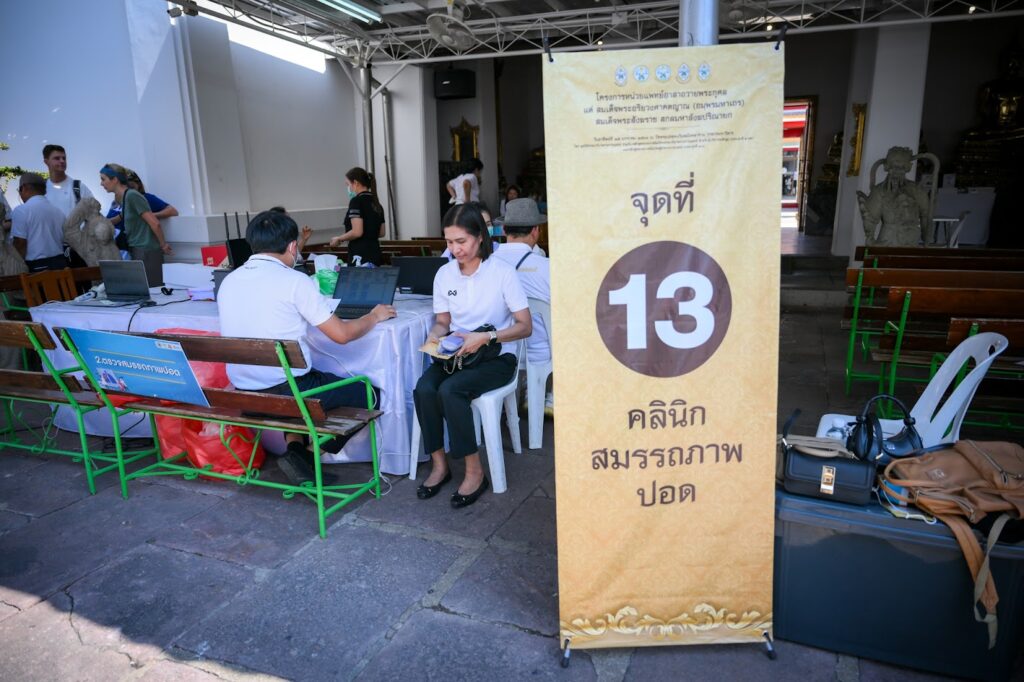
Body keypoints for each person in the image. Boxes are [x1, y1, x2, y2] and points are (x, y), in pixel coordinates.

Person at [217, 210, 396, 484]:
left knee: (298, 382)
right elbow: (342, 335)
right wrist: (374, 316)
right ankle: (309, 455)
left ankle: (294, 451)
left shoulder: (229, 281)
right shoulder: (294, 281)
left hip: (244, 392)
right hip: (288, 393)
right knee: (369, 393)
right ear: (293, 246)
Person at [413, 202, 532, 508]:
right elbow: (443, 321)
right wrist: (435, 336)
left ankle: (475, 471)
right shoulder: (444, 274)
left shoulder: (501, 273)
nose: (455, 249)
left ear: (480, 236)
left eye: (461, 241)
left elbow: (525, 326)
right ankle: (440, 465)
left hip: (497, 356)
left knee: (451, 391)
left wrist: (486, 337)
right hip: (458, 354)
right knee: (424, 389)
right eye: (449, 242)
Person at [491, 197, 553, 415]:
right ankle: (552, 395)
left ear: (504, 229)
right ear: (536, 231)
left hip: (499, 350)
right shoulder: (547, 267)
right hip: (540, 352)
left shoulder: (486, 265)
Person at [99, 163, 172, 286]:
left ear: (115, 179)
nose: (101, 183)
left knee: (153, 290)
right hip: (138, 251)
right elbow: (120, 217)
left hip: (146, 251)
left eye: (103, 179)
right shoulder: (126, 197)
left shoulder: (132, 195)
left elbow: (154, 223)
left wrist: (163, 245)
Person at [857, 146, 932, 247]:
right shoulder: (880, 191)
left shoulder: (916, 190)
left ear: (908, 168)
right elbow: (871, 219)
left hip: (912, 238)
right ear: (887, 167)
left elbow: (925, 215)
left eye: (901, 167)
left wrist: (926, 235)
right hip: (888, 239)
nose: (897, 171)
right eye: (894, 166)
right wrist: (870, 238)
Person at [106, 169, 178, 257]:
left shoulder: (144, 197)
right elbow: (112, 220)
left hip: (134, 249)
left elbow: (172, 211)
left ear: (138, 185)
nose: (128, 189)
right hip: (113, 248)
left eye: (131, 187)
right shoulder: (117, 202)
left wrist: (150, 216)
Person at [10, 173, 69, 272]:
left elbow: (20, 243)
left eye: (19, 190)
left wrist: (17, 266)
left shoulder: (21, 210)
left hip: (37, 267)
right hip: (61, 264)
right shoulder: (58, 211)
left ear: (24, 187)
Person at [329, 168, 385, 266]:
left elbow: (357, 232)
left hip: (359, 256)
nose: (348, 188)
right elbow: (381, 232)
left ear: (355, 183)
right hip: (375, 254)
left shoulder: (356, 201)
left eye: (348, 184)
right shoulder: (377, 204)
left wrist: (339, 238)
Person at [41, 144, 94, 218]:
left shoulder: (78, 187)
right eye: (57, 158)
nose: (62, 161)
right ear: (46, 162)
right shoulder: (40, 189)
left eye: (64, 158)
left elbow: (94, 214)